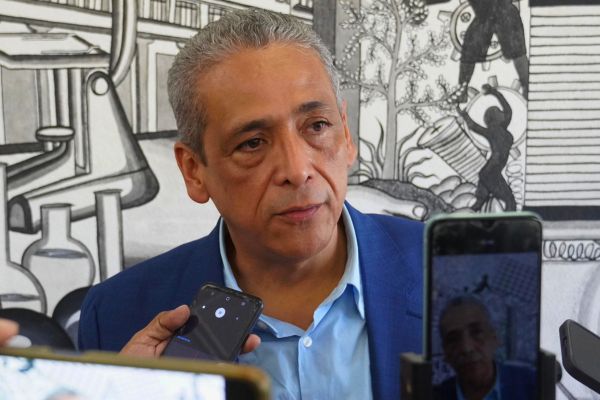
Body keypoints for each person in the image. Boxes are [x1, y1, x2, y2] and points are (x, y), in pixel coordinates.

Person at [78, 8, 424, 400]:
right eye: (253, 143)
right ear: (193, 171)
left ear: (345, 133)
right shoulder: (116, 315)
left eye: (317, 126)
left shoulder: (456, 272)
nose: (297, 170)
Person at [434, 296, 536, 400]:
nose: (467, 348)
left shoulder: (533, 384)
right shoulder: (433, 396)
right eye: (453, 339)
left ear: (495, 337)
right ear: (445, 353)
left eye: (476, 332)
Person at [457, 84, 516, 211]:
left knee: (480, 202)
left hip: (488, 172)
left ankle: (471, 214)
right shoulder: (494, 131)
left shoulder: (497, 128)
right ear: (496, 118)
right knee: (509, 200)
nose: (503, 113)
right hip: (492, 172)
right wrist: (493, 92)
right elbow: (473, 126)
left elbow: (507, 109)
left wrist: (493, 92)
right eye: (499, 112)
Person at [458, 0, 529, 102]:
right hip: (485, 15)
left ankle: (528, 87)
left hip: (504, 12)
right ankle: (462, 90)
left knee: (517, 51)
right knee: (470, 49)